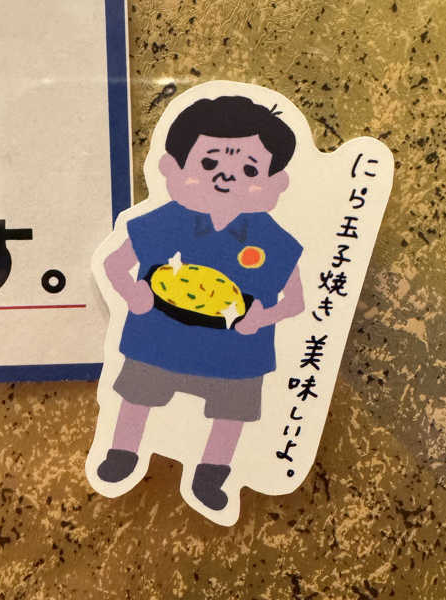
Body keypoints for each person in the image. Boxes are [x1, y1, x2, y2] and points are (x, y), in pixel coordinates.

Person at [97, 95, 304, 511]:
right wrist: (135, 295)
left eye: (249, 170)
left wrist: (264, 316)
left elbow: (296, 301)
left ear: (274, 183)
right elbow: (114, 264)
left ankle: (212, 475)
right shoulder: (166, 220)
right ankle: (122, 453)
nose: (227, 176)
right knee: (137, 396)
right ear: (172, 168)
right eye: (209, 163)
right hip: (159, 338)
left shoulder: (274, 239)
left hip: (237, 351)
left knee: (231, 414)